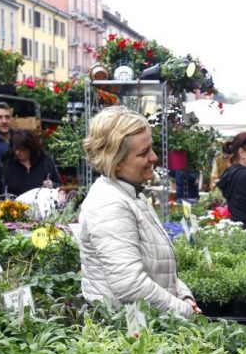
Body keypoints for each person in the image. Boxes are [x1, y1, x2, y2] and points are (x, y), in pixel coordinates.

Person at [76, 106, 200, 317]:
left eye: (151, 148)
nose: (153, 157)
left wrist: (184, 296)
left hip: (145, 326)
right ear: (114, 162)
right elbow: (131, 285)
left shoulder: (132, 194)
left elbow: (156, 269)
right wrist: (184, 312)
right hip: (126, 335)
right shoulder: (109, 204)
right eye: (143, 153)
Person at [0, 129, 63, 199]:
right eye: (15, 149)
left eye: (22, 149)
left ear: (31, 148)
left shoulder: (45, 160)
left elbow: (59, 185)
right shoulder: (6, 162)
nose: (17, 152)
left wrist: (52, 184)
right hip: (14, 209)